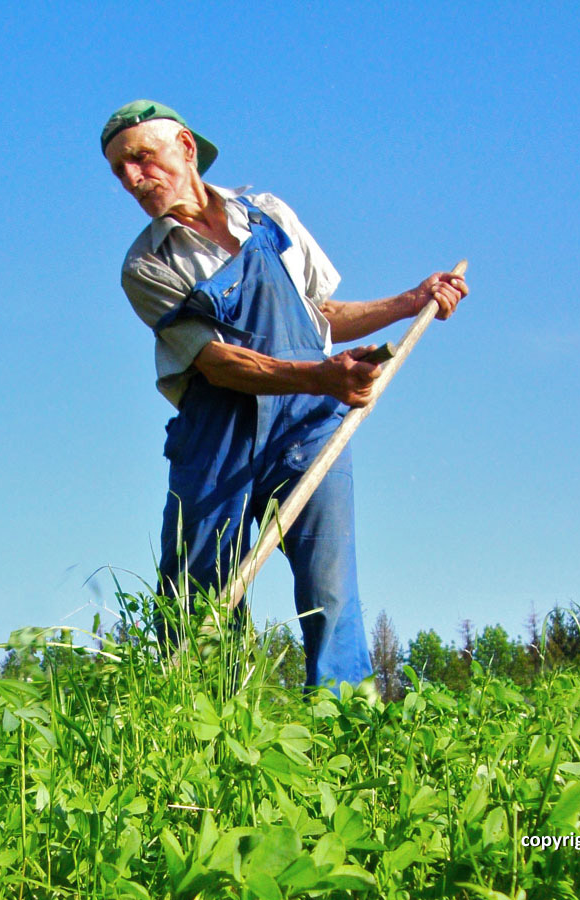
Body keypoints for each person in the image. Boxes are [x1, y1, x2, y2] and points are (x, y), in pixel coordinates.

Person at [102, 100, 467, 689]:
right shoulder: (147, 265)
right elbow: (217, 364)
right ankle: (205, 725)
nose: (133, 180)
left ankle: (343, 725)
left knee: (330, 587)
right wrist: (321, 376)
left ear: (187, 149)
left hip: (309, 422)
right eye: (120, 172)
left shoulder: (267, 214)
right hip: (217, 433)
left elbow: (320, 318)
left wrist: (410, 299)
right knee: (199, 591)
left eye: (142, 159)